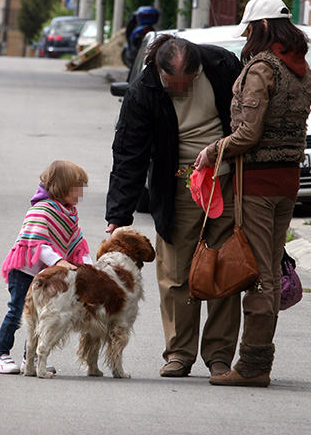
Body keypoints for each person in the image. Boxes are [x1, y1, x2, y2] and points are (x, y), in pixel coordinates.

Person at [106, 34, 242, 378]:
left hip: (224, 179)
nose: (179, 90)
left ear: (198, 70)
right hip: (177, 184)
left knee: (225, 267)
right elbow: (129, 155)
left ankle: (220, 355)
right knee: (176, 270)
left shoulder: (222, 66)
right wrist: (118, 216)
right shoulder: (143, 91)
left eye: (187, 82)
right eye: (172, 84)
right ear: (158, 72)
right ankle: (180, 353)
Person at [195, 0, 311, 387]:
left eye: (249, 28)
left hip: (258, 185)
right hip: (288, 181)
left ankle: (253, 366)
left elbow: (248, 132)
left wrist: (213, 150)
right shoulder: (302, 67)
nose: (246, 35)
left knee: (262, 275)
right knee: (271, 269)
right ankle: (255, 362)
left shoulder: (263, 69)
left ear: (261, 27)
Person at [0, 160, 92, 374]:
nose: (80, 194)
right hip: (25, 272)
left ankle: (32, 358)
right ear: (62, 186)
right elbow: (35, 241)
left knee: (41, 315)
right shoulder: (41, 210)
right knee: (18, 311)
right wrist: (58, 261)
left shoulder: (69, 213)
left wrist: (88, 267)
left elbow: (77, 243)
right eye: (77, 188)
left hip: (45, 277)